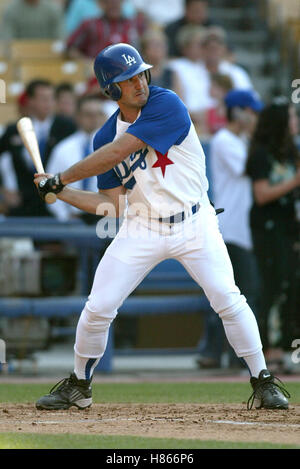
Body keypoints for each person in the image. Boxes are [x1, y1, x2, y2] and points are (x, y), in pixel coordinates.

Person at [34, 43, 289, 411]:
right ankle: (80, 384)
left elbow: (121, 151)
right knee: (98, 306)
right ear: (111, 89)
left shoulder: (165, 103)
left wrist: (60, 177)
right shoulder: (103, 136)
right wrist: (62, 192)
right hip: (142, 227)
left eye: (140, 73)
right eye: (127, 78)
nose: (139, 82)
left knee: (228, 299)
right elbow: (112, 204)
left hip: (195, 221)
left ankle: (263, 380)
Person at [197, 90, 263, 369]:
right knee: (230, 292)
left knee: (236, 292)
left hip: (243, 227)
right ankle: (215, 353)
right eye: (250, 111)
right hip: (230, 227)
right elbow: (248, 167)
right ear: (238, 112)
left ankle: (228, 355)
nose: (254, 117)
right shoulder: (225, 139)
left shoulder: (243, 140)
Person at [246, 97, 300, 367]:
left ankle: (288, 343)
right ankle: (269, 348)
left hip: (290, 227)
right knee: (271, 286)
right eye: (291, 117)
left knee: (291, 285)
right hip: (268, 229)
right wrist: (294, 181)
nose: (295, 122)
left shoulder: (291, 151)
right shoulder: (261, 153)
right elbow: (262, 194)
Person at [0, 79, 77, 216]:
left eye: (51, 98)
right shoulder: (14, 130)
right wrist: (3, 189)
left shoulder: (67, 128)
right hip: (21, 203)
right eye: (43, 98)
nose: (48, 103)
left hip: (57, 200)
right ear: (30, 101)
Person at [47, 95, 106, 221]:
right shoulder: (63, 149)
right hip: (73, 217)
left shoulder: (115, 148)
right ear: (78, 117)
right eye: (88, 114)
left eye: (98, 114)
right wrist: (64, 217)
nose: (94, 119)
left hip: (107, 216)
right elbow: (50, 185)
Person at [66, 0, 147, 59]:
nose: (113, 4)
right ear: (101, 4)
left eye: (117, 2)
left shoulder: (134, 24)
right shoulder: (90, 24)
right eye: (109, 2)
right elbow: (70, 48)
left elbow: (147, 47)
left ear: (123, 2)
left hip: (128, 72)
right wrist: (87, 63)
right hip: (95, 74)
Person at [140, 29, 181, 94]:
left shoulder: (172, 73)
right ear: (144, 50)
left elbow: (179, 99)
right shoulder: (140, 76)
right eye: (154, 46)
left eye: (161, 45)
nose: (158, 49)